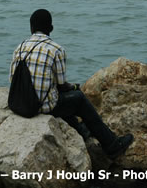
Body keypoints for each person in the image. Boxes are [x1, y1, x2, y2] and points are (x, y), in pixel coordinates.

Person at [9, 9, 134, 158]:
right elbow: (62, 85)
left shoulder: (19, 48)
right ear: (51, 28)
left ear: (31, 28)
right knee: (78, 98)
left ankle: (82, 131)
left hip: (19, 103)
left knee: (61, 96)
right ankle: (112, 145)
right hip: (39, 107)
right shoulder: (56, 50)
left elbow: (13, 79)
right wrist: (74, 87)